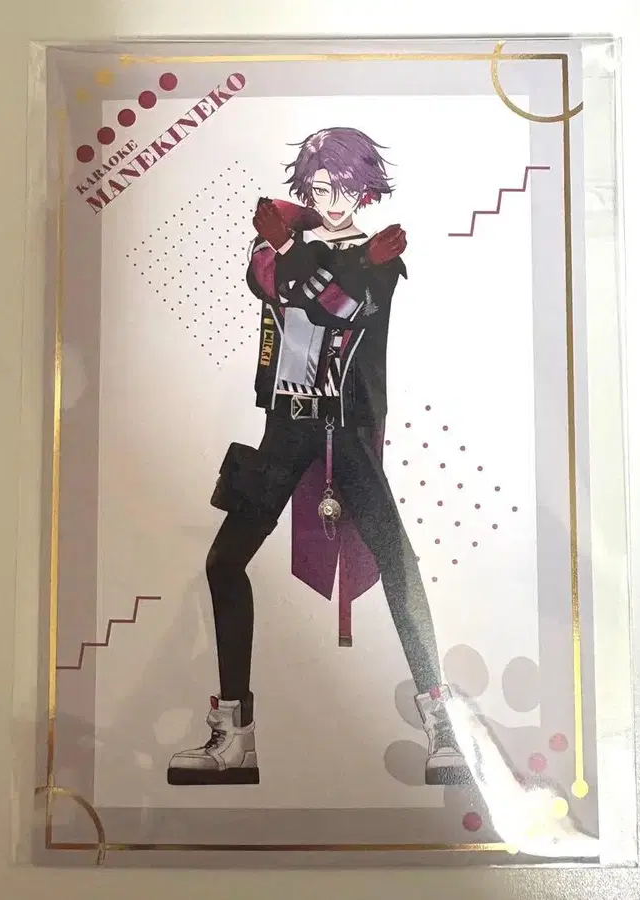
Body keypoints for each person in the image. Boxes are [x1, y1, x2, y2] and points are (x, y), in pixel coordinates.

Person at [166, 127, 598, 859]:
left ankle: (441, 723)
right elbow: (272, 284)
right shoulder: (286, 247)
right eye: (316, 186)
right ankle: (234, 733)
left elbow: (335, 306)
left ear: (364, 188)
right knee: (223, 561)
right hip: (285, 427)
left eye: (340, 185)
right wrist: (288, 239)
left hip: (344, 432)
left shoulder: (380, 257)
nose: (327, 197)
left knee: (397, 564)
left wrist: (300, 246)